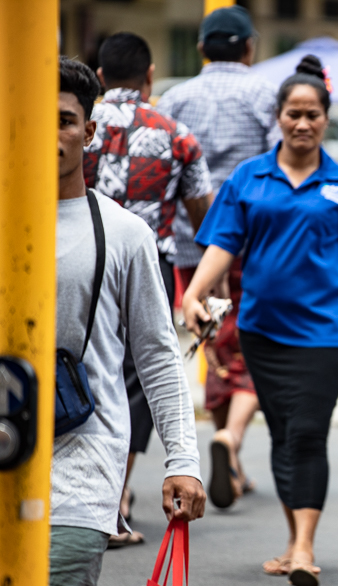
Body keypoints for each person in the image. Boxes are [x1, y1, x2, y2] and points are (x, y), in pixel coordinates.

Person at [182, 55, 338, 586]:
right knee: (284, 435)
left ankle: (305, 549)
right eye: (293, 113)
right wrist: (195, 292)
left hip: (324, 335)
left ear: (326, 118)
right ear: (279, 116)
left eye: (313, 114)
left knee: (309, 433)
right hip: (260, 331)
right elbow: (224, 244)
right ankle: (293, 540)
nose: (303, 123)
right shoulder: (250, 177)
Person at [52, 56, 206, 586]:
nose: (53, 134)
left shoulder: (124, 234)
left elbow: (158, 355)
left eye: (65, 120)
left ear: (89, 132)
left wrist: (183, 460)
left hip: (77, 480)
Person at [84, 32, 213, 547]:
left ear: (99, 76)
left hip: (82, 254)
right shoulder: (176, 132)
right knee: (139, 378)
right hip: (148, 264)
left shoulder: (78, 125)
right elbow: (203, 213)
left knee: (86, 363)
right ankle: (117, 497)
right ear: (151, 75)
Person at [157, 4, 279, 511]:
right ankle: (231, 437)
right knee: (252, 339)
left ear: (203, 48)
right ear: (249, 47)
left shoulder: (175, 98)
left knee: (213, 340)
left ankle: (232, 450)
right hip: (252, 243)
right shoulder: (263, 95)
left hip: (194, 244)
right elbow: (284, 162)